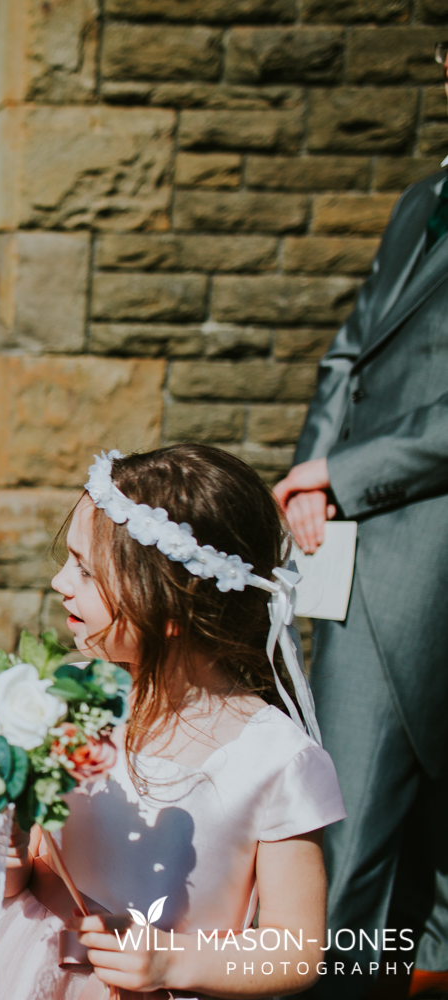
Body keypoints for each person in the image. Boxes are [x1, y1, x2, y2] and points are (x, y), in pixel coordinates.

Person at [0, 445, 344, 1000]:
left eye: (85, 569)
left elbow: (296, 949)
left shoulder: (277, 761)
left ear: (172, 605)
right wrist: (3, 852)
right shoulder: (67, 701)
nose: (60, 583)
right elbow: (14, 880)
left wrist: (173, 962)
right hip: (26, 975)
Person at [271, 43, 448, 1000]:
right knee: (351, 822)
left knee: (366, 827)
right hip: (359, 540)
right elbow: (351, 352)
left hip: (425, 544)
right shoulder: (421, 197)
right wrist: (311, 473)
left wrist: (349, 471)